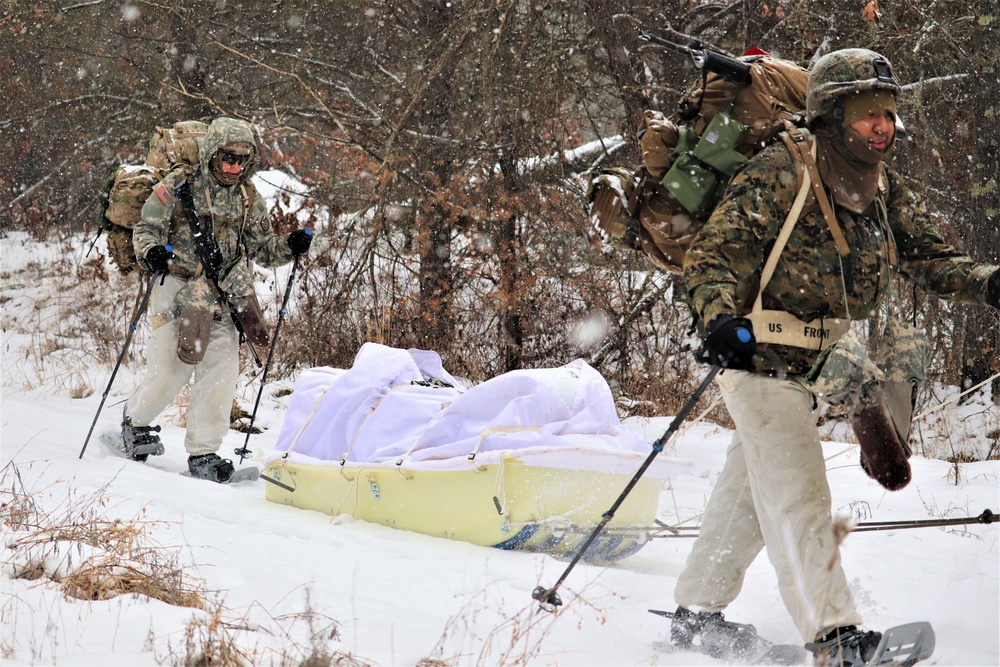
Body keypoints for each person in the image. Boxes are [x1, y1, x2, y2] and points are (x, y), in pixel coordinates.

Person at [672, 48, 1000, 665]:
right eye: (867, 113)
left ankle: (696, 612)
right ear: (830, 114)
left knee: (751, 488)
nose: (884, 126)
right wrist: (715, 317)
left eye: (889, 113)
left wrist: (989, 282)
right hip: (759, 356)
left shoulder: (880, 184)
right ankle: (834, 638)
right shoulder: (782, 171)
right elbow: (717, 251)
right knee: (798, 493)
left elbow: (930, 257)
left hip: (822, 357)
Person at [121, 117, 313, 483]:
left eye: (242, 159)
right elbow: (146, 227)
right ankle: (135, 422)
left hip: (225, 295)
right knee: (172, 370)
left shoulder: (248, 196)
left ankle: (204, 454)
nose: (234, 167)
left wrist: (290, 245)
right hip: (177, 287)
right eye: (228, 157)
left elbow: (262, 249)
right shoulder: (177, 186)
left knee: (221, 373)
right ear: (212, 153)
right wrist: (152, 252)